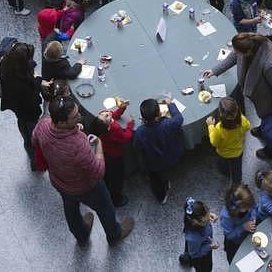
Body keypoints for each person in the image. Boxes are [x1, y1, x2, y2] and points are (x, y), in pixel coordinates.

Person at [31, 96, 134, 246]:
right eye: (74, 117)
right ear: (61, 122)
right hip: (86, 187)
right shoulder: (78, 145)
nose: (79, 117)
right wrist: (98, 145)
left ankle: (81, 235)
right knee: (105, 207)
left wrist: (70, 130)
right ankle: (114, 234)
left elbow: (34, 140)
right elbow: (99, 171)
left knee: (70, 209)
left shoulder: (43, 125)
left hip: (60, 182)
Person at [204, 33, 272, 159]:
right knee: (268, 123)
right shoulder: (252, 44)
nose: (235, 53)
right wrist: (215, 70)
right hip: (267, 100)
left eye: (237, 51)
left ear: (248, 53)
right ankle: (264, 129)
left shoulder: (271, 65)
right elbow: (235, 55)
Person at [0, 41, 41, 168]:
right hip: (28, 114)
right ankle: (35, 162)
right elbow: (31, 100)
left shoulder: (6, 67)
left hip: (19, 111)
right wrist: (37, 81)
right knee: (31, 139)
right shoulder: (20, 84)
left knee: (28, 133)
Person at [133, 97, 184, 204]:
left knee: (154, 180)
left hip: (153, 164)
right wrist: (171, 105)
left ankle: (161, 197)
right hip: (171, 156)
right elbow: (179, 118)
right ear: (159, 114)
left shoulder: (140, 132)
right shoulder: (168, 125)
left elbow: (137, 147)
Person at [91, 103, 135, 208]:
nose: (107, 112)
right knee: (117, 178)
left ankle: (104, 186)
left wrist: (122, 108)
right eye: (105, 115)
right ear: (108, 126)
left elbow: (113, 116)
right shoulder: (114, 129)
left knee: (106, 174)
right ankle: (116, 199)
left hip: (105, 152)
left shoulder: (103, 127)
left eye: (104, 113)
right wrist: (130, 126)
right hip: (115, 156)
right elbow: (125, 138)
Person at [206, 97, 251, 185]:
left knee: (224, 165)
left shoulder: (219, 128)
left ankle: (225, 171)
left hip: (224, 153)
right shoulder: (242, 120)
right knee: (237, 170)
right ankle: (237, 185)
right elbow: (248, 126)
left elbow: (214, 142)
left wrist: (210, 126)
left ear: (221, 114)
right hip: (238, 152)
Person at [219, 184, 257, 264]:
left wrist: (253, 217)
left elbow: (253, 207)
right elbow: (229, 235)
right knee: (235, 262)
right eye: (247, 208)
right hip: (234, 244)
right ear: (237, 208)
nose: (249, 209)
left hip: (247, 237)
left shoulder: (247, 203)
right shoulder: (226, 216)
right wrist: (243, 227)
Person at [180, 198, 218, 272]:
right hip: (201, 258)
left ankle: (186, 257)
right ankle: (187, 258)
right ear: (197, 222)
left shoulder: (194, 217)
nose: (209, 219)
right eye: (206, 220)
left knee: (189, 249)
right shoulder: (193, 238)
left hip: (199, 243)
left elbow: (201, 215)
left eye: (208, 214)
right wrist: (209, 246)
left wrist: (209, 215)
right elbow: (195, 254)